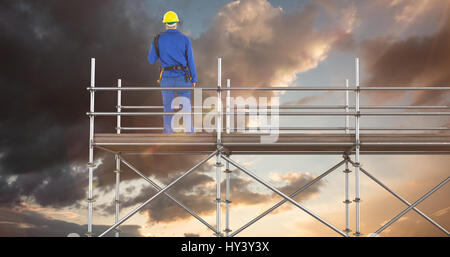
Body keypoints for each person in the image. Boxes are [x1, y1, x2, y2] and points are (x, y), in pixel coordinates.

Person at [148, 11, 197, 134]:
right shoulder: (185, 39)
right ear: (176, 23)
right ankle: (189, 132)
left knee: (168, 106)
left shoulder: (158, 39)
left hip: (166, 78)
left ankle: (168, 133)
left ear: (165, 24)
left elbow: (151, 60)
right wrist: (194, 79)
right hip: (183, 77)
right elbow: (190, 61)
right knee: (185, 105)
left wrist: (160, 50)